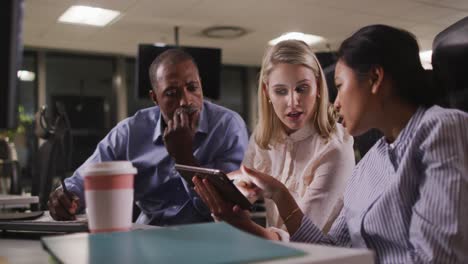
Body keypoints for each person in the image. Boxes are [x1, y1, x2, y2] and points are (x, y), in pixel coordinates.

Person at [195, 25, 468, 263]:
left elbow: (438, 258)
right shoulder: (372, 160)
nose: (335, 103)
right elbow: (331, 249)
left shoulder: (442, 127)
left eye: (339, 85)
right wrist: (278, 195)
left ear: (374, 79)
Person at [48, 49, 249, 225]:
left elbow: (228, 209)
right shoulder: (130, 132)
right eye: (171, 93)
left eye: (192, 87)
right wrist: (67, 196)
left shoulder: (227, 126)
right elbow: (88, 176)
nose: (185, 101)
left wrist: (184, 157)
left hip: (211, 237)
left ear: (201, 86)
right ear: (155, 98)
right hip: (149, 233)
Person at [199, 40, 355, 240]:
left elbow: (302, 237)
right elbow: (246, 191)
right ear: (267, 92)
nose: (292, 102)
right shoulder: (263, 138)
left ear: (317, 87)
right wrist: (238, 193)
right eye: (281, 91)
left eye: (302, 88)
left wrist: (240, 222)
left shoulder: (335, 149)